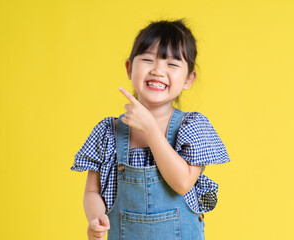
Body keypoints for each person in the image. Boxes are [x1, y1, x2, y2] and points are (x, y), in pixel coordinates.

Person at [70, 19, 230, 240]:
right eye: (147, 59)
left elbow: (182, 183)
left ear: (188, 79)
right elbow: (92, 191)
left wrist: (151, 130)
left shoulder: (192, 128)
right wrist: (96, 219)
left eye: (172, 64)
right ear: (129, 68)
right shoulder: (109, 132)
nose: (157, 70)